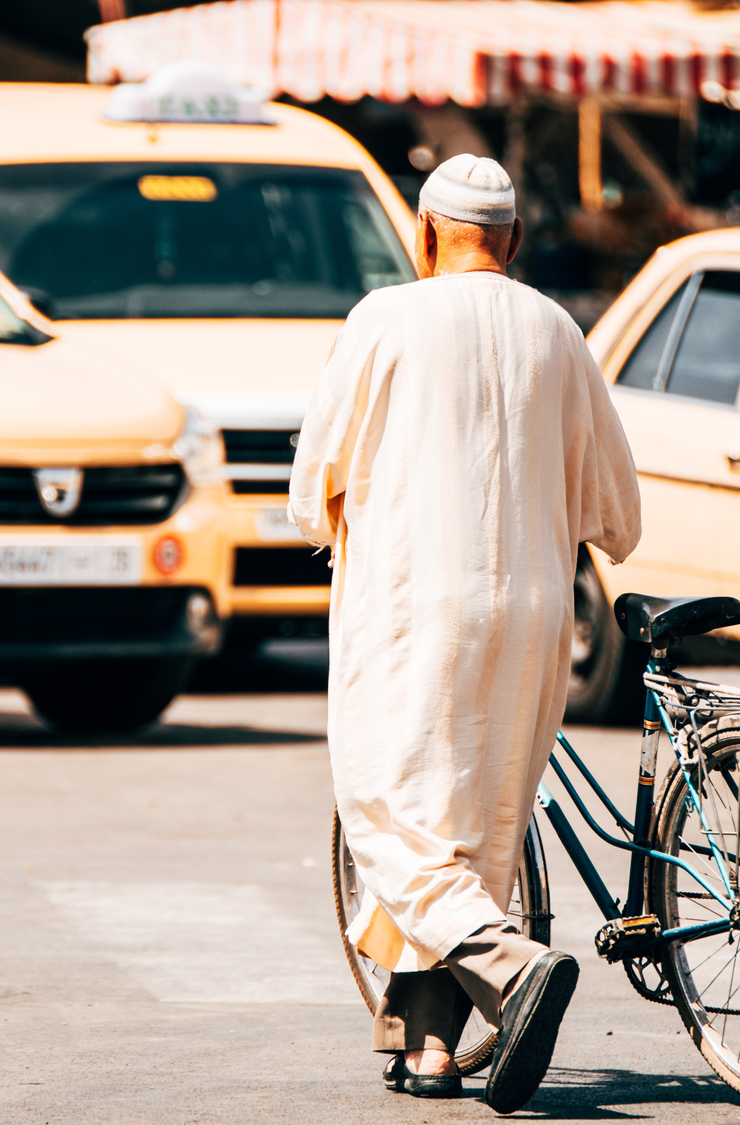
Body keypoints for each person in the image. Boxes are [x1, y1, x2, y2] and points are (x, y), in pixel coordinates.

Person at [288, 154, 640, 1113]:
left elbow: (311, 482)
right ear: (516, 241)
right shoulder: (559, 330)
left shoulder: (385, 319)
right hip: (531, 614)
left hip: (413, 610)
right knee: (476, 834)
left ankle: (511, 966)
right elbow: (618, 514)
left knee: (386, 812)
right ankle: (433, 1050)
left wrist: (335, 512)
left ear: (424, 229)